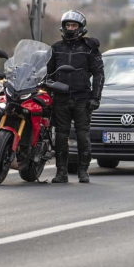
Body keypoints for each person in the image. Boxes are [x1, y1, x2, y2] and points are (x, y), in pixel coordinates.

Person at [47, 10, 104, 184]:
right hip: (61, 98)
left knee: (82, 136)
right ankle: (61, 173)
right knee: (61, 136)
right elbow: (47, 75)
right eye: (68, 25)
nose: (71, 28)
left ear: (81, 27)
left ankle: (83, 172)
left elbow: (99, 74)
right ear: (63, 27)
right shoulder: (55, 48)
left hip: (82, 98)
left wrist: (96, 98)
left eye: (74, 25)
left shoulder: (90, 48)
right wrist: (47, 94)